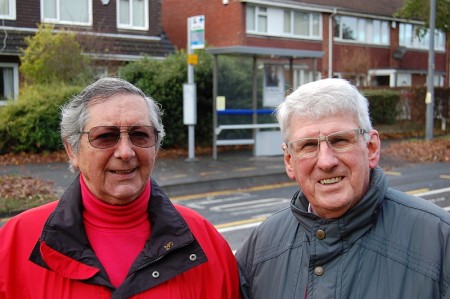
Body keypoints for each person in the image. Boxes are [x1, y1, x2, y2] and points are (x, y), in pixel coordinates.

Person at [0, 77, 240, 298]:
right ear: (72, 149)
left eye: (140, 135)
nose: (125, 152)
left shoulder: (206, 243)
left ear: (155, 146)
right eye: (105, 136)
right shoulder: (14, 244)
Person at [235, 78, 450, 299]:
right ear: (289, 160)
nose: (326, 162)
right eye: (308, 145)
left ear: (372, 148)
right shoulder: (260, 248)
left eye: (339, 140)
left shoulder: (440, 242)